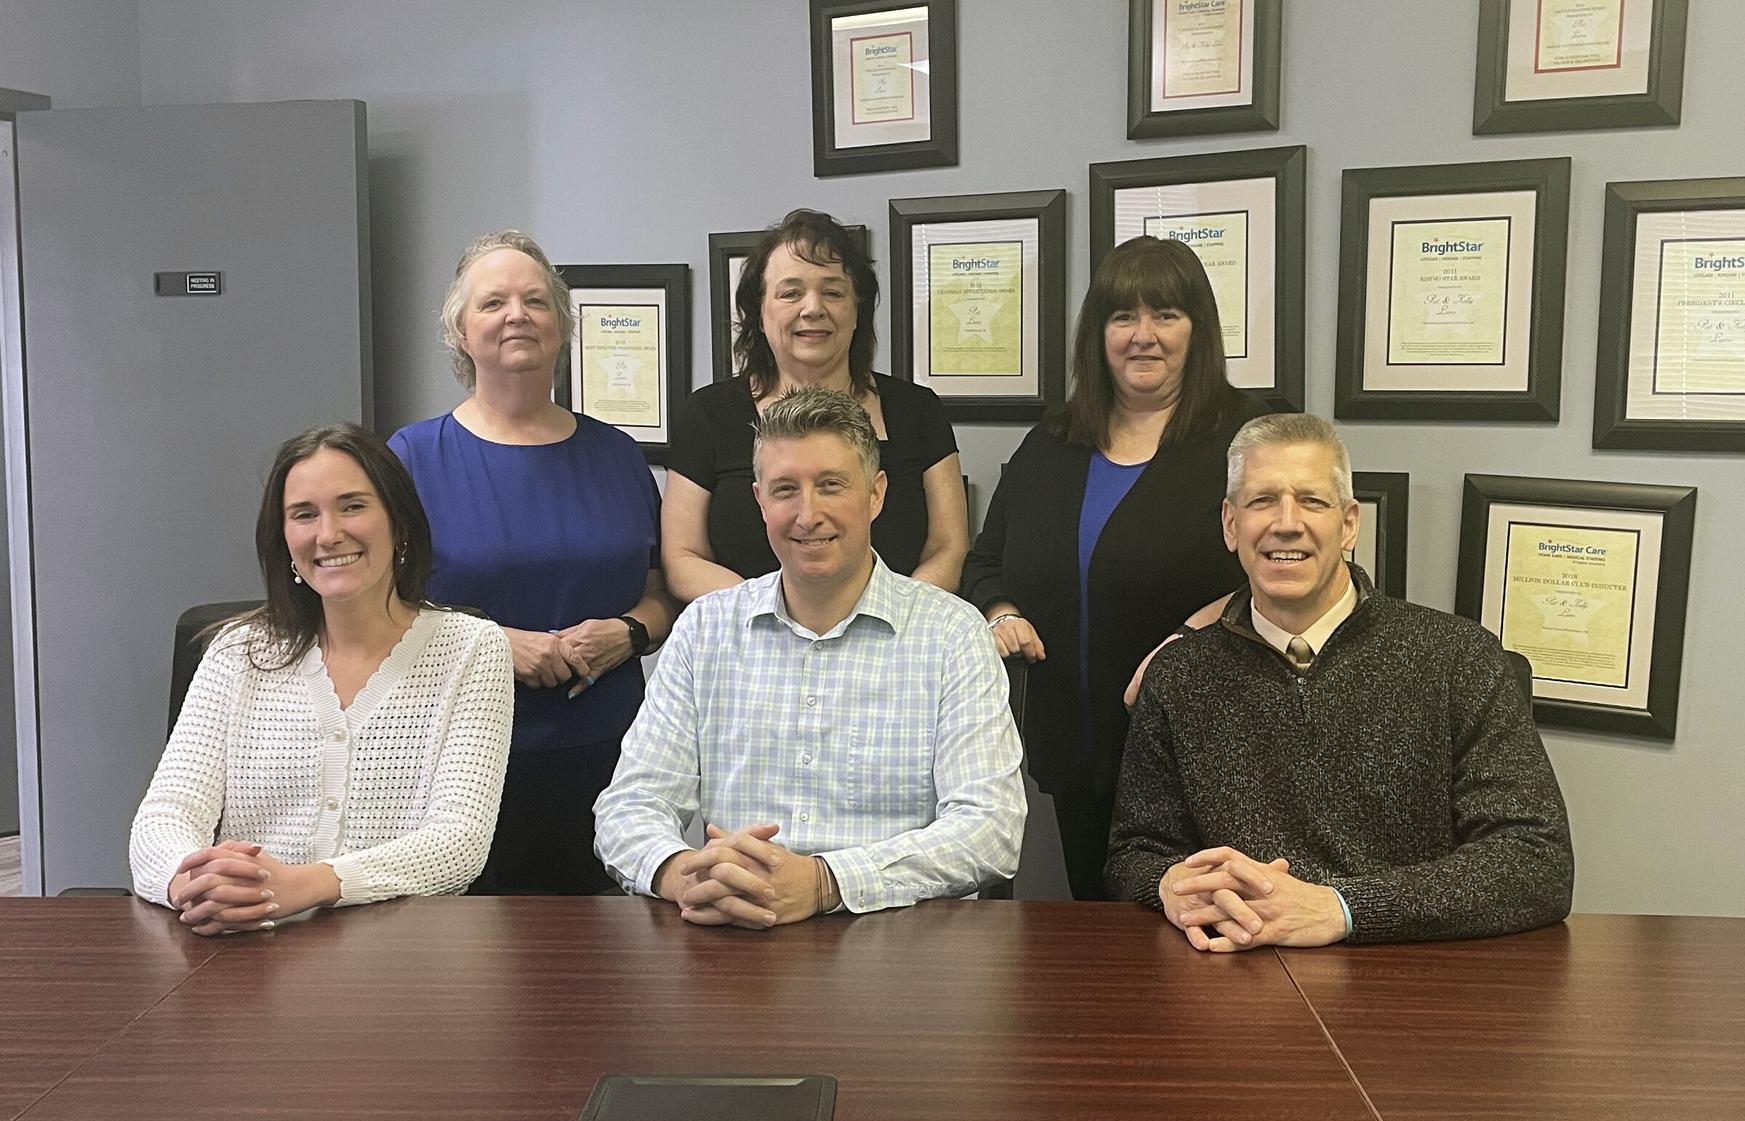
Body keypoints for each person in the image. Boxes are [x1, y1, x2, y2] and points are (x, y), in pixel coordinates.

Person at [1106, 414, 1575, 948]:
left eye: (1312, 501)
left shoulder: (1461, 659)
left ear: (1350, 523)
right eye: (1262, 501)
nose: (1286, 522)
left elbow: (1536, 862)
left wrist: (1344, 909)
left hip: (1415, 976)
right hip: (1228, 976)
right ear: (1230, 525)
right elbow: (1134, 853)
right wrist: (1168, 884)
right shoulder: (1180, 675)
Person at [594, 387, 1025, 926]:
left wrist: (825, 882)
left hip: (899, 944)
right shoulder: (704, 631)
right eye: (784, 490)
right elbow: (629, 805)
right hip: (735, 933)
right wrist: (682, 872)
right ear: (759, 501)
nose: (807, 514)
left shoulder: (952, 634)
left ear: (876, 494)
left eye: (830, 485)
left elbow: (991, 829)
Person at [960, 235, 1266, 900]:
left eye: (1165, 315)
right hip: (1077, 752)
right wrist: (1001, 610)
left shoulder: (1250, 435)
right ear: (1097, 333)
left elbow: (1292, 567)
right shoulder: (1051, 443)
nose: (1142, 336)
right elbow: (984, 560)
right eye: (1121, 317)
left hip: (1209, 751)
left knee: (1209, 950)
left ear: (1198, 329)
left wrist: (1192, 640)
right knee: (1106, 951)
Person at [129, 425, 515, 936]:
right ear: (284, 538)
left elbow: (459, 842)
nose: (328, 534)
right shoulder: (237, 652)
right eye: (304, 514)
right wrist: (193, 881)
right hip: (245, 952)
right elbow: (165, 815)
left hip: (408, 957)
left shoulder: (472, 648)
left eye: (353, 506)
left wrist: (310, 885)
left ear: (399, 522)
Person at [389, 230, 676, 894]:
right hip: (462, 761)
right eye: (493, 302)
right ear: (461, 332)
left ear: (561, 324)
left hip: (612, 757)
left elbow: (661, 591)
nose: (517, 314)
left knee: (607, 968)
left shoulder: (616, 455)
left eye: (535, 300)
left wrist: (628, 633)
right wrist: (489, 643)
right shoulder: (410, 458)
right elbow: (378, 609)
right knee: (469, 973)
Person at [664, 208, 967, 599]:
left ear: (857, 309)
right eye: (791, 292)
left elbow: (949, 549)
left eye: (833, 292)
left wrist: (893, 618)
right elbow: (682, 559)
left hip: (895, 648)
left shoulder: (919, 411)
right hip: (749, 646)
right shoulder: (707, 414)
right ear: (759, 311)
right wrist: (778, 619)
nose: (812, 308)